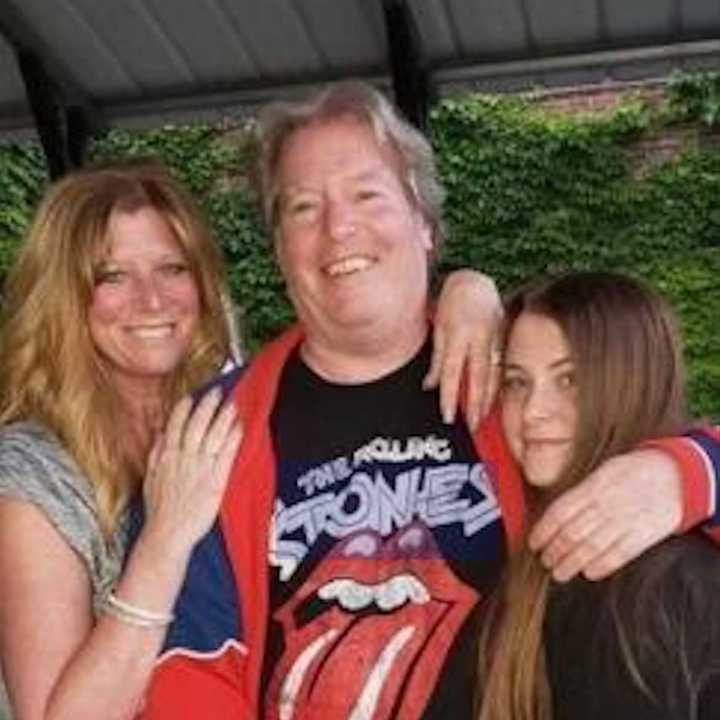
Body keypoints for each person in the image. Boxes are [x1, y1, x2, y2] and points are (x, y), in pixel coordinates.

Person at [138, 82, 720, 720]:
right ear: (279, 246)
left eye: (366, 194)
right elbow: (188, 661)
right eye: (303, 208)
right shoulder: (215, 427)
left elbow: (637, 429)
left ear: (422, 219)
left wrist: (681, 473)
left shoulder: (512, 367)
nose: (339, 229)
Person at [0, 160, 501, 720]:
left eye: (172, 268)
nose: (152, 300)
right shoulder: (33, 474)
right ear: (62, 296)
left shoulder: (238, 408)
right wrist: (164, 540)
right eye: (112, 276)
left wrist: (469, 291)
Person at [478, 271, 720, 720]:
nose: (533, 411)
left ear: (630, 383)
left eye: (569, 380)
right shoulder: (538, 541)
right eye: (516, 382)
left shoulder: (659, 587)